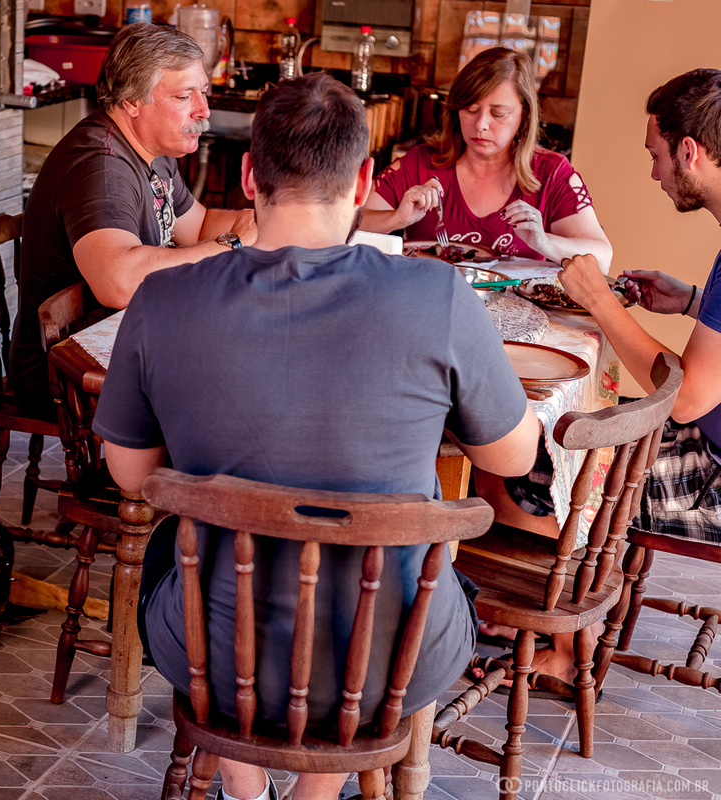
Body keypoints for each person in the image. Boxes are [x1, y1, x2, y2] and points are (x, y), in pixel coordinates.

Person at [93, 72, 540, 800]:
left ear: (248, 176)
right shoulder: (438, 295)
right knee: (429, 582)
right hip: (393, 660)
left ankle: (243, 784)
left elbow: (129, 472)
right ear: (364, 182)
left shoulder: (162, 299)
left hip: (215, 657)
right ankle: (317, 792)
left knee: (167, 567)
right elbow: (514, 457)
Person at [10, 23, 257, 418]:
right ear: (131, 101)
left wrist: (270, 221)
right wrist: (230, 245)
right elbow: (119, 283)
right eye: (183, 96)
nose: (203, 110)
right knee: (227, 391)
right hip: (65, 374)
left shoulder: (153, 150)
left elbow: (198, 225)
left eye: (203, 92)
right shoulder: (101, 169)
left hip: (123, 340)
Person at [560, 68, 721, 541]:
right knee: (574, 428)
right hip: (705, 439)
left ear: (688, 152)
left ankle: (555, 590)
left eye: (656, 156)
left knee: (536, 457)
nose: (654, 173)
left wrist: (597, 300)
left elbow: (686, 399)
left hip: (709, 473)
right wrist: (691, 301)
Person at [361, 47, 612, 269]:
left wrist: (544, 242)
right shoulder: (419, 163)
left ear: (524, 115)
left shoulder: (552, 172)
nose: (481, 124)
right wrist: (396, 219)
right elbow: (349, 224)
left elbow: (602, 259)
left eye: (498, 114)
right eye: (471, 109)